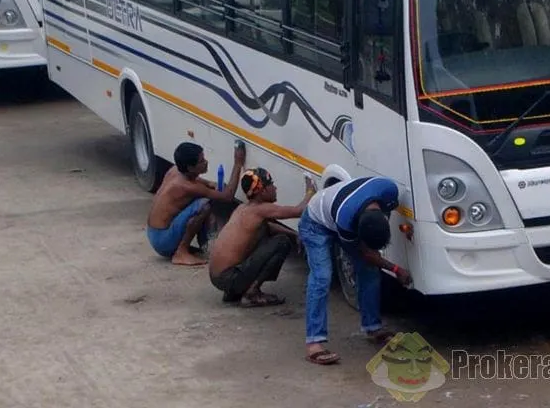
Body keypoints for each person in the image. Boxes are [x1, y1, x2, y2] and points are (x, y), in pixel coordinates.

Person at [299, 176, 413, 366]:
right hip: (315, 224)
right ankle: (314, 343)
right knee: (322, 277)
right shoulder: (346, 220)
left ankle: (373, 327)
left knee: (369, 270)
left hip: (338, 212)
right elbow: (366, 254)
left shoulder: (389, 191)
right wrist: (395, 269)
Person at [209, 167, 316, 307]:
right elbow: (299, 211)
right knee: (282, 243)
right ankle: (251, 293)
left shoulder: (243, 208)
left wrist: (294, 234)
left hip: (218, 276)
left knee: (269, 234)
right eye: (271, 184)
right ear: (263, 190)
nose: (275, 188)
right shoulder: (261, 209)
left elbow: (267, 227)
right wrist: (310, 190)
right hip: (229, 277)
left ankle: (235, 290)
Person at [146, 141, 240, 266]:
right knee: (203, 205)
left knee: (200, 202)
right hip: (162, 240)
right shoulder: (187, 187)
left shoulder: (175, 170)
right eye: (201, 161)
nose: (206, 162)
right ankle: (181, 252)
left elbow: (197, 180)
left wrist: (210, 183)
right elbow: (228, 196)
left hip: (153, 233)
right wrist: (238, 163)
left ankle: (201, 244)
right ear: (190, 168)